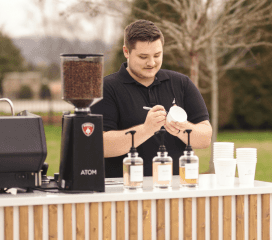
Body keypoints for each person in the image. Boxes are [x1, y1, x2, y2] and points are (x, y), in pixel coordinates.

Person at [91, 19, 212, 178]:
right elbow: (99, 146)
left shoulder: (181, 83)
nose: (151, 62)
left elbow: (205, 138)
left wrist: (180, 127)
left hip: (177, 188)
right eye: (143, 57)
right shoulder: (106, 88)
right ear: (126, 51)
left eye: (157, 55)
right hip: (124, 192)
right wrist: (146, 129)